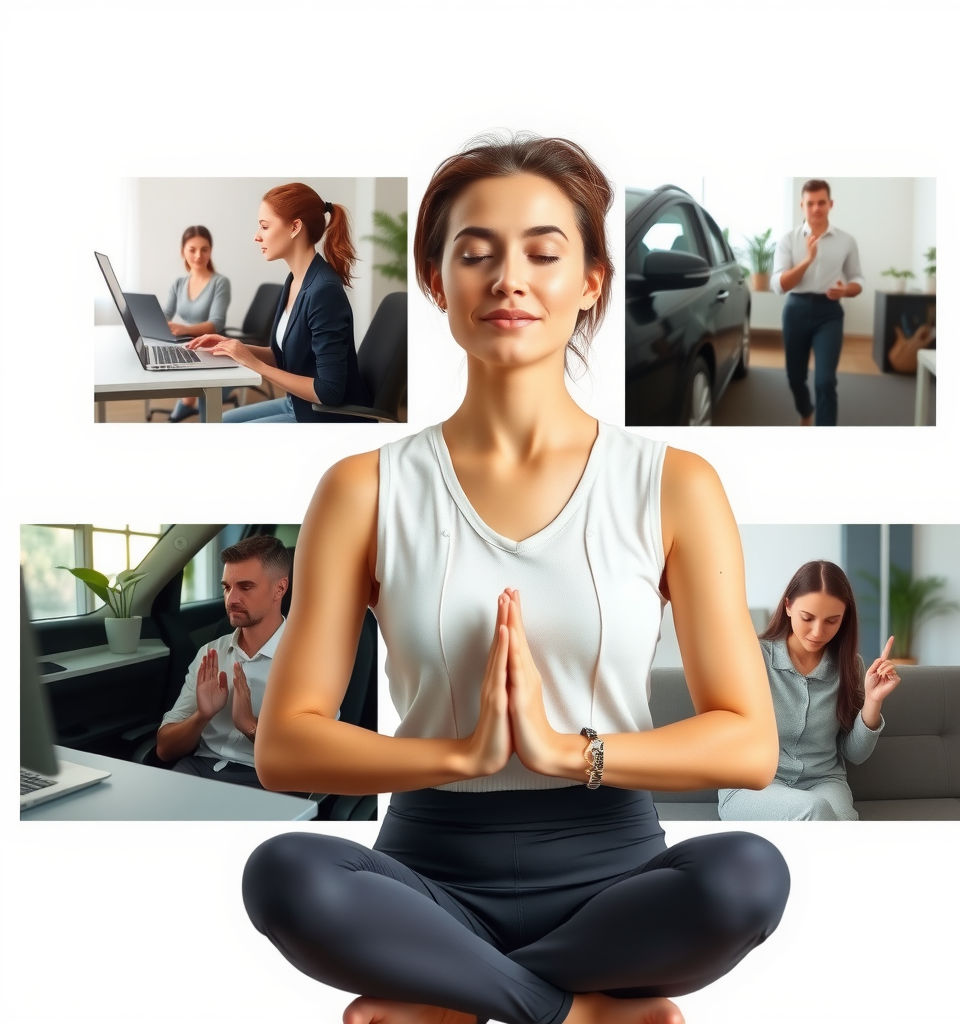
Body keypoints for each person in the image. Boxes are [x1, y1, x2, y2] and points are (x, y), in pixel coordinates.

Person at [242, 135, 790, 1024]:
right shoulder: (362, 489)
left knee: (747, 878)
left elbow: (747, 745)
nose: (509, 279)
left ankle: (449, 991)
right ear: (435, 280)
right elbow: (286, 748)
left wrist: (568, 751)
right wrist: (459, 756)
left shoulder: (674, 483)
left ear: (591, 281)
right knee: (287, 875)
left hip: (616, 882)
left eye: (543, 251)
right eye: (475, 253)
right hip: (426, 872)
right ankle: (577, 1011)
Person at [719, 560, 901, 821]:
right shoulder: (753, 657)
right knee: (815, 810)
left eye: (832, 620)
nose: (818, 632)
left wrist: (872, 701)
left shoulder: (850, 667)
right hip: (755, 783)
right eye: (808, 618)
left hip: (823, 780)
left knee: (842, 822)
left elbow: (855, 755)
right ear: (789, 606)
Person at [186, 183, 371, 423]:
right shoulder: (295, 279)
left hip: (324, 416)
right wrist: (233, 348)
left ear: (295, 227)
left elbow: (329, 392)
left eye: (264, 226)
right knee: (224, 421)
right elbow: (283, 356)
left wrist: (254, 365)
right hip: (297, 403)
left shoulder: (324, 292)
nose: (257, 235)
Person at [155, 536, 290, 787]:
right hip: (197, 769)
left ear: (279, 589)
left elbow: (312, 762)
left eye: (246, 587)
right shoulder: (210, 653)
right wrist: (202, 716)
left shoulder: (308, 660)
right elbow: (165, 750)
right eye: (227, 587)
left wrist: (250, 727)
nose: (231, 599)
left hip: (265, 781)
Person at [770, 180, 865, 427]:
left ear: (830, 204)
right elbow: (778, 285)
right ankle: (805, 410)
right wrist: (807, 260)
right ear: (802, 205)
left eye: (821, 202)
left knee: (825, 381)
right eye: (810, 203)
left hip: (829, 313)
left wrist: (846, 290)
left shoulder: (846, 240)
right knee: (795, 378)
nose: (816, 208)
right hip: (795, 311)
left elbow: (858, 279)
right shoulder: (788, 241)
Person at [162, 225, 233, 422]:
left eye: (204, 249)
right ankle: (187, 401)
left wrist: (183, 328)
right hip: (188, 344)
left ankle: (189, 402)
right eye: (192, 249)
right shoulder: (179, 283)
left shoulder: (220, 282)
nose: (198, 256)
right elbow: (166, 314)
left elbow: (216, 324)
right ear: (183, 251)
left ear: (211, 250)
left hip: (213, 345)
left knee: (205, 403)